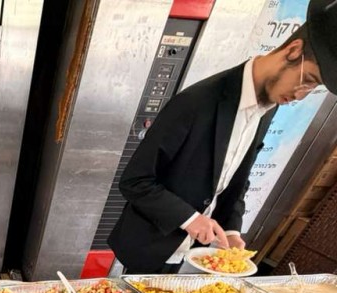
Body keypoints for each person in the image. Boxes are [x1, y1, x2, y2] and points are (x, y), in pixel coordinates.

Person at [108, 0, 337, 274]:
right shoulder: (196, 102)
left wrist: (231, 229)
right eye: (308, 80)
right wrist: (190, 219)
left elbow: (236, 179)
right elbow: (135, 181)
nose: (301, 95)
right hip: (152, 246)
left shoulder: (269, 105)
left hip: (200, 254)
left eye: (313, 88)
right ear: (293, 50)